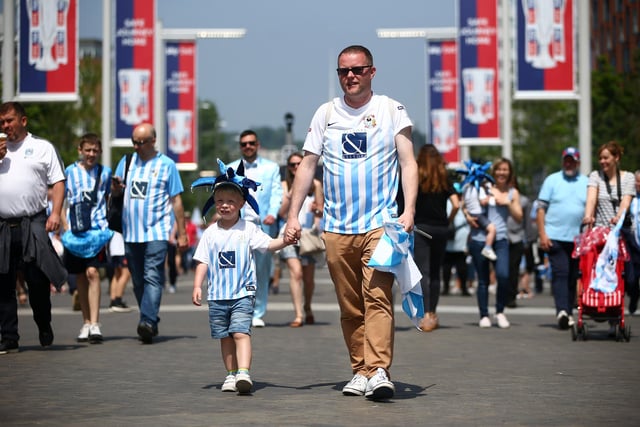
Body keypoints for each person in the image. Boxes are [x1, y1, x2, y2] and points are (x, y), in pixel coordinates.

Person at [284, 45, 418, 400]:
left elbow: (408, 162)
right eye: (344, 71)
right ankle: (359, 370)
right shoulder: (326, 113)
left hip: (380, 224)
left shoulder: (391, 110)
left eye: (358, 70)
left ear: (372, 72)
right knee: (350, 305)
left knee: (377, 297)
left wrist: (409, 211)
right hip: (337, 227)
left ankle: (378, 370)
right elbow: (308, 165)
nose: (350, 76)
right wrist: (293, 215)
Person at [191, 169, 289, 394]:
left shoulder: (249, 229)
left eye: (230, 201)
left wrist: (285, 241)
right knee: (224, 337)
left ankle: (244, 372)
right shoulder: (209, 233)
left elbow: (269, 245)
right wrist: (197, 285)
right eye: (220, 201)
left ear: (242, 203)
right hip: (217, 295)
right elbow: (202, 261)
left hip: (243, 293)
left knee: (240, 332)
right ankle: (230, 374)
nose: (224, 205)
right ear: (214, 202)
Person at [0, 101, 67, 354]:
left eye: (10, 121)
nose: (6, 126)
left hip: (34, 221)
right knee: (3, 281)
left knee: (37, 279)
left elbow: (58, 181)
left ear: (23, 121)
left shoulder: (41, 147)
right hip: (3, 224)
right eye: (2, 122)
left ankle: (43, 323)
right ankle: (9, 336)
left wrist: (56, 213)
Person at [112, 123, 188, 344]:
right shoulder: (127, 162)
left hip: (157, 231)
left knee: (152, 276)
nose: (136, 146)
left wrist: (182, 233)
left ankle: (147, 321)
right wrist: (115, 188)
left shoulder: (167, 165)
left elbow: (177, 201)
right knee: (137, 281)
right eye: (134, 142)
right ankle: (150, 315)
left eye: (141, 142)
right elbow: (116, 191)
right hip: (131, 232)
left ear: (153, 141)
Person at [228, 130, 283, 328]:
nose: (248, 146)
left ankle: (258, 311)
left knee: (261, 269)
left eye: (251, 143)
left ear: (257, 144)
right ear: (240, 146)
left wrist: (273, 213)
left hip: (262, 225)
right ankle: (239, 310)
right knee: (237, 268)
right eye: (244, 144)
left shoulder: (271, 168)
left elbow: (277, 192)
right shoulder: (230, 168)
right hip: (237, 225)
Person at [62, 133, 113, 343]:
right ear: (80, 150)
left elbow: (108, 198)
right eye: (88, 150)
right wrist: (64, 227)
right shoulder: (70, 172)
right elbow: (62, 198)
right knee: (80, 276)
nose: (91, 154)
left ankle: (95, 323)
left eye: (95, 150)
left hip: (97, 232)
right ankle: (85, 322)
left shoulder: (105, 173)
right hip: (74, 233)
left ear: (99, 152)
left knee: (93, 272)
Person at [582, 141, 639, 317]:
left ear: (616, 158)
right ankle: (598, 303)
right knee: (596, 270)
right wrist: (588, 215)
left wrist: (619, 216)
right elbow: (591, 199)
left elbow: (625, 201)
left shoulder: (628, 177)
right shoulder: (595, 177)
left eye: (606, 158)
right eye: (600, 158)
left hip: (621, 233)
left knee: (628, 277)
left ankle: (625, 299)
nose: (603, 161)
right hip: (600, 233)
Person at [464, 158, 522, 329]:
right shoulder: (483, 187)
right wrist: (467, 216)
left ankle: (500, 311)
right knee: (483, 280)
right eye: (499, 170)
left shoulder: (513, 192)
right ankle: (484, 315)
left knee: (503, 275)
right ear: (493, 171)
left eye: (505, 170)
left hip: (501, 240)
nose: (502, 173)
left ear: (510, 173)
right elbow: (466, 204)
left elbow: (519, 217)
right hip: (479, 239)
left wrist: (507, 203)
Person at [536, 147, 588, 329]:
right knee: (561, 273)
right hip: (555, 236)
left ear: (578, 162)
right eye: (566, 160)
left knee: (573, 275)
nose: (568, 163)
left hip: (578, 239)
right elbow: (540, 209)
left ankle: (568, 311)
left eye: (572, 160)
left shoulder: (587, 182)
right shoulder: (552, 180)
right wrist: (542, 234)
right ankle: (562, 311)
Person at [413, 145, 458, 332]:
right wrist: (448, 221)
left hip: (422, 228)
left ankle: (424, 315)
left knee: (423, 272)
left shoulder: (417, 175)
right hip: (440, 229)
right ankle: (433, 313)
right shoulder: (444, 177)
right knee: (436, 272)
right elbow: (456, 204)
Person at [278, 152, 324, 327]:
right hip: (289, 234)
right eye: (292, 165)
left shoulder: (316, 185)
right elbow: (281, 213)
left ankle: (308, 306)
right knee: (296, 273)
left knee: (308, 279)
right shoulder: (284, 185)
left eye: (299, 164)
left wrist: (316, 211)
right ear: (288, 168)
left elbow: (321, 211)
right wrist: (290, 194)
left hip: (308, 236)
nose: (296, 167)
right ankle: (298, 314)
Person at [462, 174, 498, 261]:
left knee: (471, 231)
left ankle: (467, 246)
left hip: (472, 214)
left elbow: (463, 204)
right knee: (492, 229)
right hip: (478, 214)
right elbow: (483, 202)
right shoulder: (479, 188)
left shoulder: (466, 188)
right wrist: (490, 196)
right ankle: (488, 248)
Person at [442, 199, 471, 296]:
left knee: (449, 266)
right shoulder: (460, 203)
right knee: (460, 266)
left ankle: (447, 288)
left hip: (453, 238)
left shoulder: (447, 202)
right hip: (459, 237)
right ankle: (463, 288)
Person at [107, 231, 132, 312]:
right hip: (121, 248)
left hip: (114, 247)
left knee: (117, 274)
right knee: (126, 274)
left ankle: (113, 300)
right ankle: (117, 300)